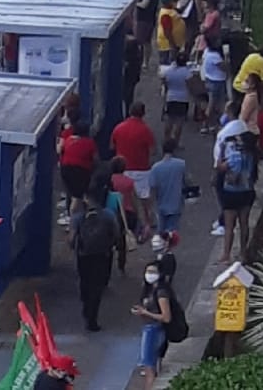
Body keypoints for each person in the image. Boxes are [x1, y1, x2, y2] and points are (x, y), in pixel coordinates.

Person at [70, 191, 120, 332]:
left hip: (84, 255)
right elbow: (116, 233)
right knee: (97, 286)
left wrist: (74, 247)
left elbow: (72, 238)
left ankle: (86, 307)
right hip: (102, 255)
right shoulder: (108, 215)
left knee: (85, 281)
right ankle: (93, 317)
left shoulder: (79, 217)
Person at [110, 102, 156, 237]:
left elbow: (112, 146)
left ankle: (125, 222)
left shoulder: (118, 128)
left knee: (123, 198)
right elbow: (152, 151)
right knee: (144, 197)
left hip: (123, 168)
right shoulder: (145, 130)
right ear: (143, 113)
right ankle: (148, 221)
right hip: (142, 168)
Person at [218, 128, 258, 264]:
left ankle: (226, 255)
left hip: (231, 192)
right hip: (247, 192)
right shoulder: (252, 155)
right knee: (244, 224)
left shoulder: (235, 156)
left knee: (229, 225)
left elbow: (221, 167)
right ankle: (243, 253)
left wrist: (222, 151)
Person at [132, 260, 172, 390]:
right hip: (150, 328)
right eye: (148, 271)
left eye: (153, 272)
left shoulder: (161, 293)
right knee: (150, 366)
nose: (149, 274)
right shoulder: (150, 289)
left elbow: (166, 317)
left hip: (154, 330)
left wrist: (145, 312)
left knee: (149, 368)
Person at [148, 139, 187, 234]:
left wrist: (150, 208)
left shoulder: (155, 168)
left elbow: (152, 188)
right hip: (176, 203)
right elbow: (186, 181)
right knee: (172, 231)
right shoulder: (181, 164)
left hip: (161, 204)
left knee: (162, 230)